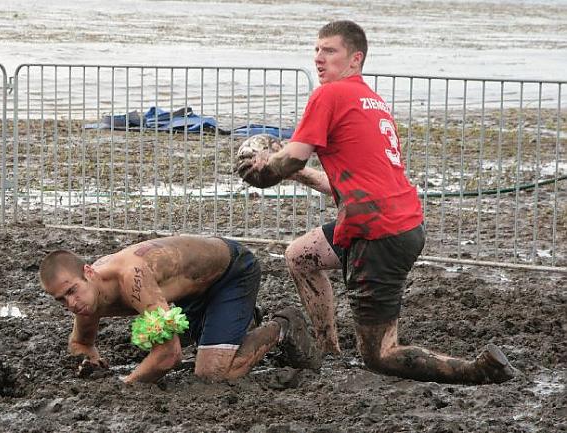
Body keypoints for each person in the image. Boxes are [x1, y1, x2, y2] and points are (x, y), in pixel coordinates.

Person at [237, 20, 516, 384]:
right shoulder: (372, 102)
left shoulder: (328, 95)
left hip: (379, 231)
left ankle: (478, 370)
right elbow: (345, 181)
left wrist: (263, 167)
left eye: (330, 51)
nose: (319, 58)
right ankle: (329, 349)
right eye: (317, 50)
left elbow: (293, 156)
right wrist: (295, 174)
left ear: (355, 59)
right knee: (301, 255)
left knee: (380, 355)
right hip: (391, 220)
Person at [38, 235, 321, 384]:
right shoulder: (86, 297)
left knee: (212, 373)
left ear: (89, 272)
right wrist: (89, 363)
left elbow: (168, 356)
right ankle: (242, 319)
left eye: (72, 291)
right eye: (61, 300)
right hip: (192, 293)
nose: (71, 304)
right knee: (166, 340)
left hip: (232, 271)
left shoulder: (131, 277)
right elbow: (81, 342)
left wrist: (124, 384)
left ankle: (284, 325)